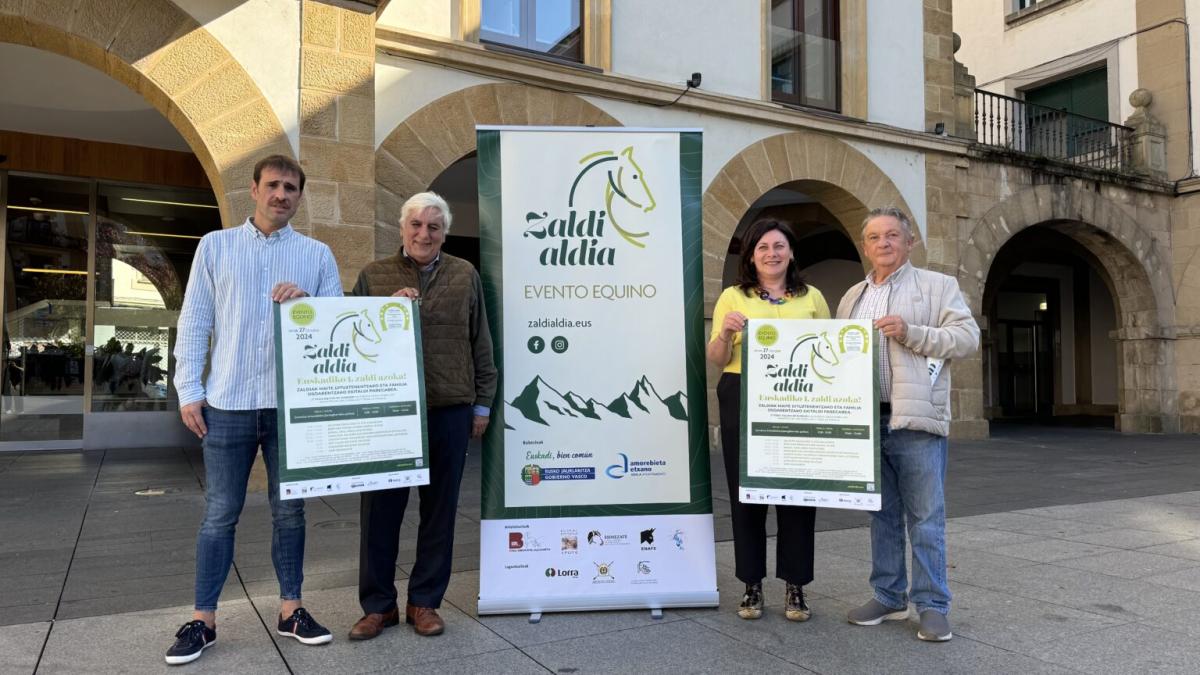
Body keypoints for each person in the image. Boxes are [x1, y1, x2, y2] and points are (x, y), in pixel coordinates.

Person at [166, 155, 343, 665]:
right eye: (273, 185)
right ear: (254, 189)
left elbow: (335, 321)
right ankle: (204, 621)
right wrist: (187, 390)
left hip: (293, 408)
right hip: (229, 404)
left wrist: (307, 302)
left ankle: (291, 610)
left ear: (299, 197)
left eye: (291, 188)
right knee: (220, 514)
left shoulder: (316, 254)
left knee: (291, 512)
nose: (281, 195)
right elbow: (195, 321)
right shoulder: (215, 247)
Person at [348, 191, 497, 639]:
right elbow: (351, 338)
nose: (423, 233)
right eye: (416, 224)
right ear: (401, 228)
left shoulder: (464, 274)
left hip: (449, 409)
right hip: (388, 413)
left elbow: (481, 342)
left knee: (440, 512)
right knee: (379, 512)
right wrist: (384, 312)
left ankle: (425, 602)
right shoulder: (374, 276)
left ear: (444, 232)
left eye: (433, 226)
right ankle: (378, 606)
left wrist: (482, 403)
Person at [838, 207, 979, 642]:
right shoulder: (851, 297)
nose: (884, 243)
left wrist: (912, 331)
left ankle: (933, 605)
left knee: (926, 517)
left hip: (915, 420)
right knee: (881, 515)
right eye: (875, 237)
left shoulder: (939, 286)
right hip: (864, 421)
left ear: (909, 242)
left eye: (893, 235)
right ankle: (888, 595)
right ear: (865, 246)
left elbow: (967, 337)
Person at [706, 218, 830, 622]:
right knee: (747, 495)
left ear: (791, 251)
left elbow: (830, 353)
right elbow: (716, 358)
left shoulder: (811, 297)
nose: (772, 254)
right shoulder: (732, 296)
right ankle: (751, 586)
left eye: (779, 246)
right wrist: (724, 333)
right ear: (752, 256)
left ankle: (796, 588)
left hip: (799, 399)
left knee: (796, 494)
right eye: (763, 248)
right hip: (742, 393)